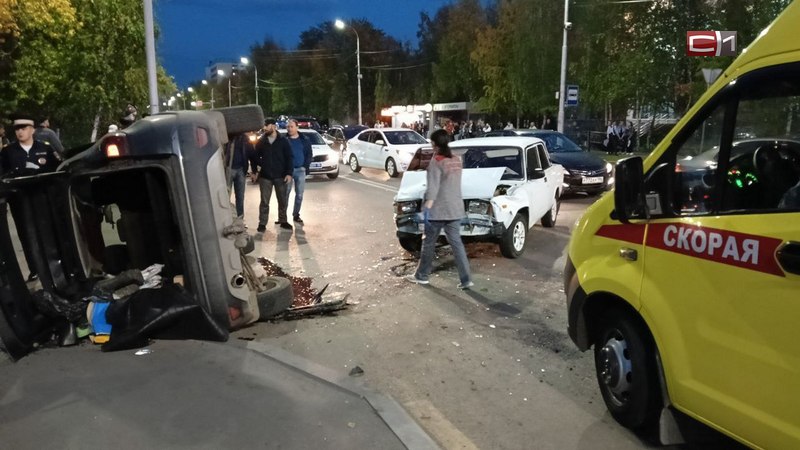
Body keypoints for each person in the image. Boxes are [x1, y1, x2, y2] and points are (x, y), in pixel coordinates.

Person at [407, 129, 474, 289]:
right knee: (457, 244)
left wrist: (425, 210)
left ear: (435, 145)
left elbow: (433, 189)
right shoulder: (457, 160)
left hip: (437, 211)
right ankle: (466, 280)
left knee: (428, 243)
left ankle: (422, 276)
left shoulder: (436, 162)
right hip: (455, 209)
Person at [2, 114, 62, 281]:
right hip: (20, 200)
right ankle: (35, 269)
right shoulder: (8, 152)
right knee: (26, 234)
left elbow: (56, 171)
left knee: (49, 230)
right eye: (17, 129)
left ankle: (56, 266)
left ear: (32, 130)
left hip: (42, 197)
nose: (20, 132)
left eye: (23, 128)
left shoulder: (44, 148)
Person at [252, 118, 293, 232]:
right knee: (264, 202)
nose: (265, 128)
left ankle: (283, 221)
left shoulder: (283, 141)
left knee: (282, 200)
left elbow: (289, 158)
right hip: (265, 177)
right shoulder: (262, 141)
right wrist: (256, 169)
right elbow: (255, 157)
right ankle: (262, 223)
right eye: (264, 126)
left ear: (274, 126)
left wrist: (289, 173)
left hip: (281, 176)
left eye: (267, 126)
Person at [284, 119, 312, 225]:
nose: (289, 129)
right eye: (288, 127)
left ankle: (296, 214)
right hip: (288, 171)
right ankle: (283, 217)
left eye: (291, 127)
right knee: (285, 194)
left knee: (299, 195)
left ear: (297, 127)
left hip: (300, 170)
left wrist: (305, 166)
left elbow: (309, 154)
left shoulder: (304, 139)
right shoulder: (284, 140)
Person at [226, 132, 255, 219]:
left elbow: (251, 155)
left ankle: (240, 219)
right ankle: (227, 219)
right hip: (228, 169)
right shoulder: (226, 137)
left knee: (240, 197)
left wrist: (254, 171)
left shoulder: (244, 139)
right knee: (225, 196)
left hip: (241, 170)